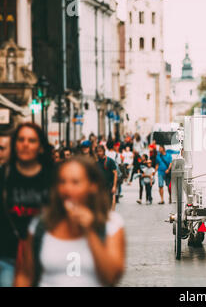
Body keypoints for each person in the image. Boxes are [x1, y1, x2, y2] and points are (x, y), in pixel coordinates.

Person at [14, 156, 125, 287]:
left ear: (92, 186)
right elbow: (25, 274)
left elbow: (111, 276)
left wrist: (90, 231)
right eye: (62, 182)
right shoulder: (41, 224)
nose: (67, 188)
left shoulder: (111, 224)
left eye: (75, 182)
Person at [0, 123, 53, 287]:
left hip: (45, 256)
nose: (25, 144)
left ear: (41, 147)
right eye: (21, 139)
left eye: (31, 140)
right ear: (15, 144)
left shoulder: (53, 177)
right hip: (8, 254)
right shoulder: (4, 175)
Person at [95, 145, 117, 211]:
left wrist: (114, 186)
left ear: (104, 151)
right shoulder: (96, 162)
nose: (99, 153)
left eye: (100, 151)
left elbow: (115, 174)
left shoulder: (110, 161)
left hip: (109, 186)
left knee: (109, 203)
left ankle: (110, 215)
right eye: (97, 152)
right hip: (100, 187)